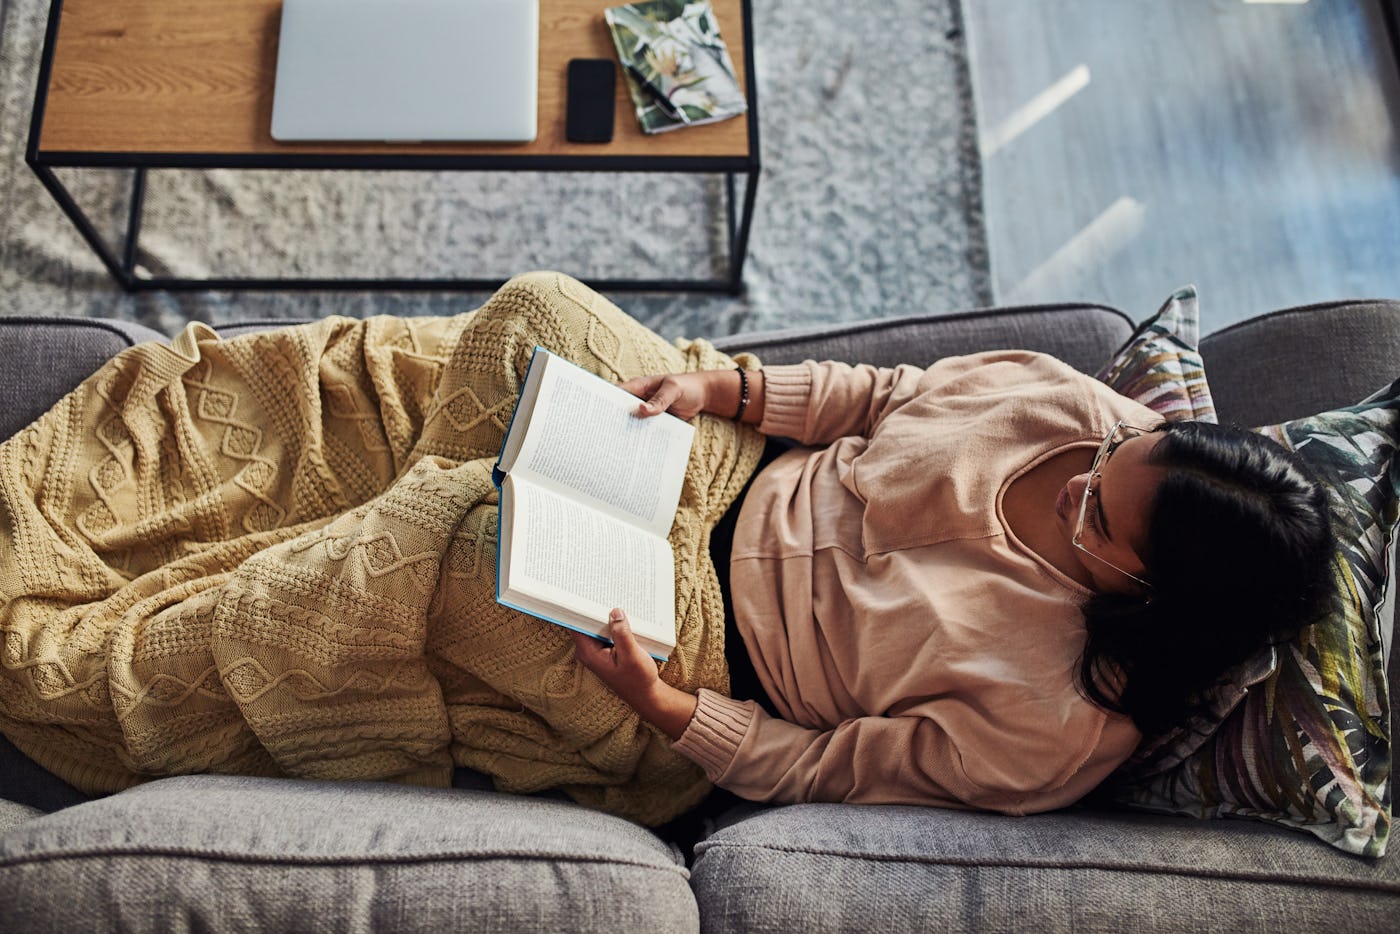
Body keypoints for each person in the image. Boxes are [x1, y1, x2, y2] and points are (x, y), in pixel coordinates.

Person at [573, 354, 1332, 815]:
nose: (1080, 485)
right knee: (532, 317)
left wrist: (666, 709)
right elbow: (885, 395)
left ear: (1153, 596)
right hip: (735, 458)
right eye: (1114, 452)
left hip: (710, 642)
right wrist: (721, 388)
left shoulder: (1055, 732)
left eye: (1097, 517)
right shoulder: (1084, 409)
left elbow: (832, 768)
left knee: (471, 537)